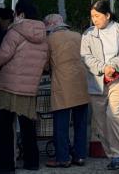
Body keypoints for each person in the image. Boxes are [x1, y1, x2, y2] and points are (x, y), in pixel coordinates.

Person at [0, 0, 48, 173]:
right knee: (27, 125)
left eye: (16, 13)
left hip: (10, 85)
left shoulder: (15, 31)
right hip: (30, 87)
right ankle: (32, 162)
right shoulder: (43, 36)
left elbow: (1, 57)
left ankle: (6, 165)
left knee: (6, 126)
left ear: (21, 14)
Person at [81, 1, 119, 171]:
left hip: (117, 81)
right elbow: (85, 57)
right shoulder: (88, 34)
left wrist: (113, 66)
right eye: (92, 16)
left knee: (113, 116)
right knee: (100, 122)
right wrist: (103, 68)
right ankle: (111, 155)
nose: (94, 20)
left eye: (97, 16)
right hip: (97, 83)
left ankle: (118, 155)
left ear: (108, 15)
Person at [44, 14, 90, 168]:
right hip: (81, 83)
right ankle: (80, 155)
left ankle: (63, 158)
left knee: (61, 124)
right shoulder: (78, 36)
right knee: (80, 123)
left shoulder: (50, 39)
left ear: (50, 25)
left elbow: (45, 64)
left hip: (62, 84)